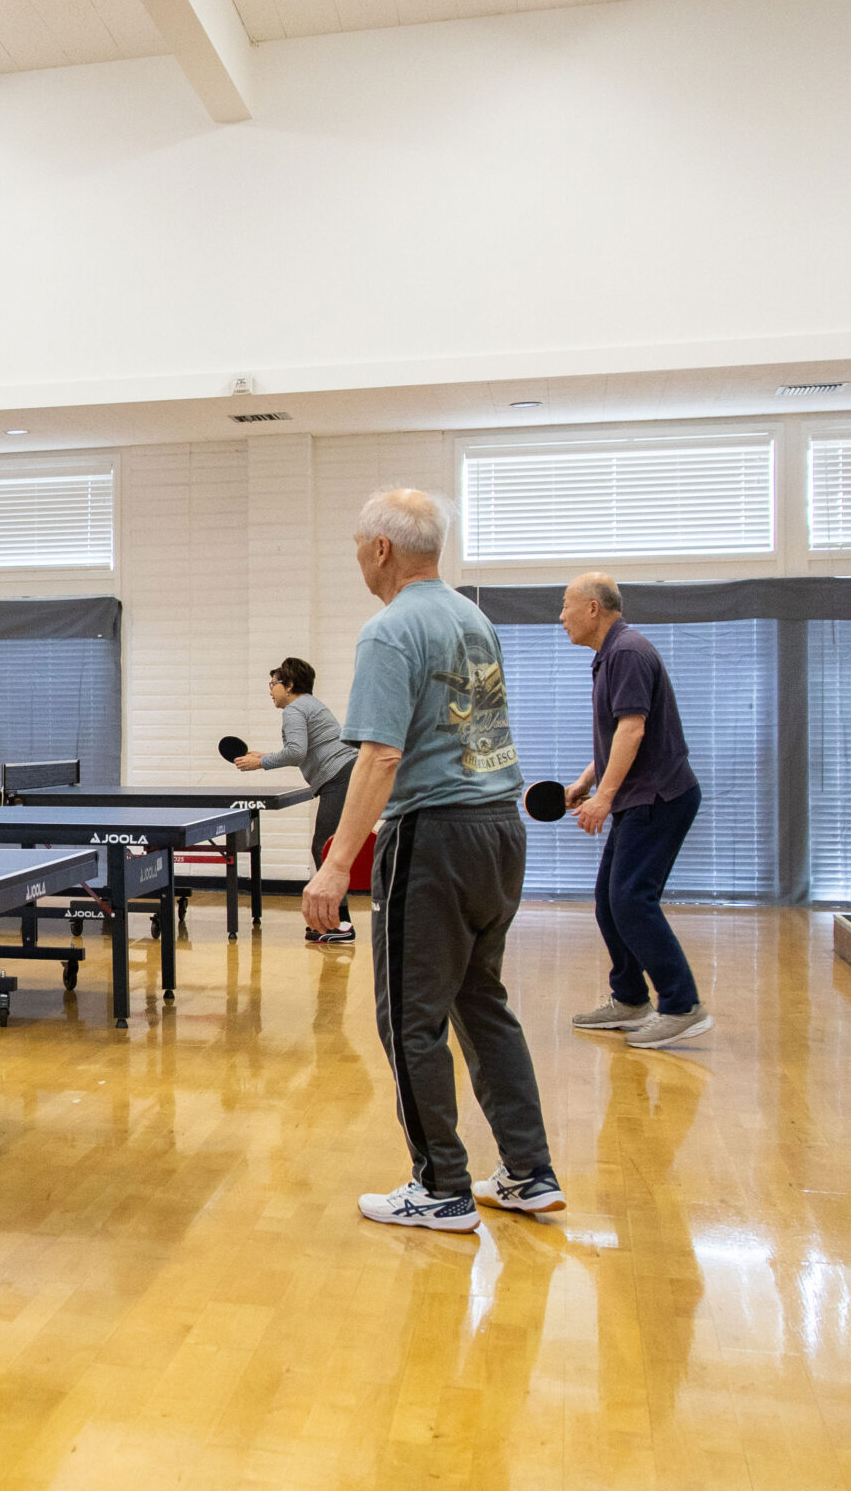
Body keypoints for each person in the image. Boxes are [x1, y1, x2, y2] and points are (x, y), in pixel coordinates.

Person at [302, 490, 563, 1232]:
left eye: (357, 545)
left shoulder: (390, 630)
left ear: (381, 549)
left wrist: (334, 865)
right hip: (498, 829)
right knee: (481, 1002)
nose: (357, 558)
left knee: (408, 1019)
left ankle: (441, 1186)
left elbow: (381, 756)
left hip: (436, 837)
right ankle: (528, 1171)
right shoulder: (472, 619)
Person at [559, 573, 710, 1048]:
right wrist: (587, 782)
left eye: (566, 605)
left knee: (630, 899)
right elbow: (616, 732)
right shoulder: (612, 656)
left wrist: (603, 797)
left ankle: (681, 1004)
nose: (560, 616)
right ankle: (629, 999)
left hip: (659, 797)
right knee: (610, 899)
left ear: (592, 609)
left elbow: (632, 729)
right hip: (640, 795)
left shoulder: (625, 651)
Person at [236, 656, 356, 943]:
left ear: (289, 686)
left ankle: (342, 925)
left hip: (340, 778)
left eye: (274, 683)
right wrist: (262, 755)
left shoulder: (293, 710)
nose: (270, 690)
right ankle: (334, 921)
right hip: (345, 776)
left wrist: (261, 763)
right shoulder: (309, 705)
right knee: (326, 847)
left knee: (324, 848)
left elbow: (295, 753)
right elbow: (300, 749)